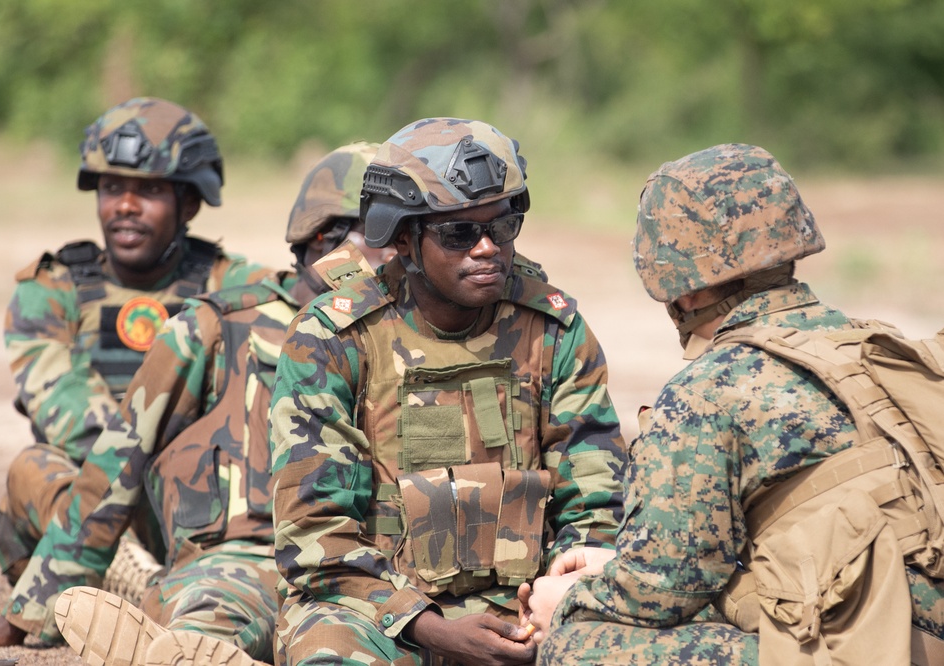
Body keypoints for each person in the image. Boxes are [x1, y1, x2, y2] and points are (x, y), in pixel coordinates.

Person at [0, 142, 388, 665]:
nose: (406, 256)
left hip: (372, 566)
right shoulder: (221, 324)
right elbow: (116, 462)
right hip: (241, 561)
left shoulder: (415, 333)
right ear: (322, 240)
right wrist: (29, 614)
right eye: (390, 238)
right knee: (208, 626)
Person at [523, 143, 944, 664]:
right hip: (905, 616)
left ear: (685, 290)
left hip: (882, 643)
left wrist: (567, 602)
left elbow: (661, 593)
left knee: (577, 648)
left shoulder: (706, 394)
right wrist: (615, 562)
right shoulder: (871, 344)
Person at [268, 117, 628, 666]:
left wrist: (556, 601)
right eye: (459, 233)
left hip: (524, 607)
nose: (487, 248)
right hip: (373, 612)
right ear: (406, 240)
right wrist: (431, 629)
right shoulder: (332, 337)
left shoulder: (553, 329)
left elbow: (595, 504)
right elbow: (317, 536)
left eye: (502, 227)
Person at [0, 96, 273, 604]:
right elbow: (70, 415)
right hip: (89, 504)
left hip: (199, 502)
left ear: (189, 203)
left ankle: (152, 591)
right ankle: (136, 581)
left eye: (149, 190)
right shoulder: (50, 291)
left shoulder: (236, 284)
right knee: (33, 466)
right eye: (112, 187)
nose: (124, 205)